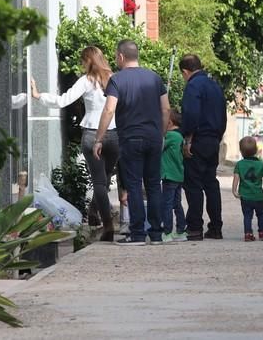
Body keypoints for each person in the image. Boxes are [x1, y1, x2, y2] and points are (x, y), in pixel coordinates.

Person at [31, 46, 119, 241]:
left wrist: (39, 96)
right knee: (104, 179)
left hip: (92, 133)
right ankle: (95, 210)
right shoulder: (115, 78)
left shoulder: (86, 81)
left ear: (88, 61)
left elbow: (64, 100)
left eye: (83, 61)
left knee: (99, 182)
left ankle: (108, 226)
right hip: (114, 134)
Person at [93, 40, 170, 245]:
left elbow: (109, 109)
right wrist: (160, 134)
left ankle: (137, 234)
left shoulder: (117, 80)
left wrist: (99, 139)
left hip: (130, 138)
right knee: (154, 185)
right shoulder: (154, 78)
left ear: (121, 56)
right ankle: (156, 233)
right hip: (154, 137)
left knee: (134, 185)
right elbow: (166, 109)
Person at [179, 54, 227, 241]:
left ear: (185, 71)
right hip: (214, 139)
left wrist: (188, 138)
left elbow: (191, 114)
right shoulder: (214, 85)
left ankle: (195, 228)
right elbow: (223, 114)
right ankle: (216, 227)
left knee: (193, 185)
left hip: (198, 139)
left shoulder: (193, 86)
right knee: (211, 184)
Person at [232, 136, 263, 242]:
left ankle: (248, 233)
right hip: (258, 196)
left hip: (245, 196)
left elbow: (236, 178)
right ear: (256, 151)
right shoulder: (260, 164)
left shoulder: (239, 164)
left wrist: (234, 190)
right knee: (261, 214)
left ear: (241, 151)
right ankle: (262, 232)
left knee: (247, 215)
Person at [161, 110, 188, 243]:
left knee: (167, 204)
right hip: (178, 175)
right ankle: (181, 230)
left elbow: (158, 147)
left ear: (169, 122)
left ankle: (167, 232)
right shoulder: (180, 136)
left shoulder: (170, 136)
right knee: (177, 204)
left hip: (169, 175)